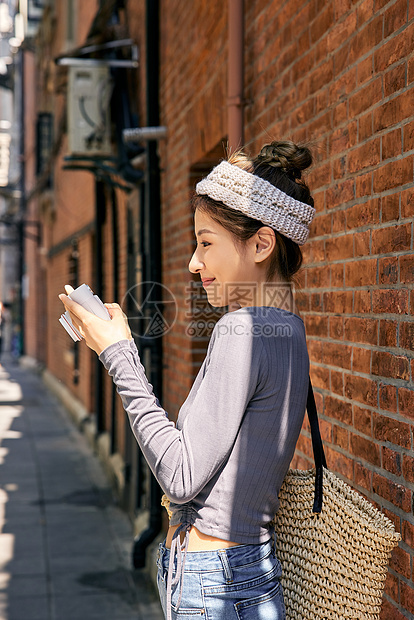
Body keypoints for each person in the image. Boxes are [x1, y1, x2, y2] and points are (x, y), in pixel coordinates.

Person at [59, 140, 316, 619]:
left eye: (206, 243)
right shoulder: (289, 329)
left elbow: (180, 477)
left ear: (261, 244)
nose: (194, 263)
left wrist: (118, 354)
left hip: (214, 584)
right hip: (245, 574)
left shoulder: (241, 329)